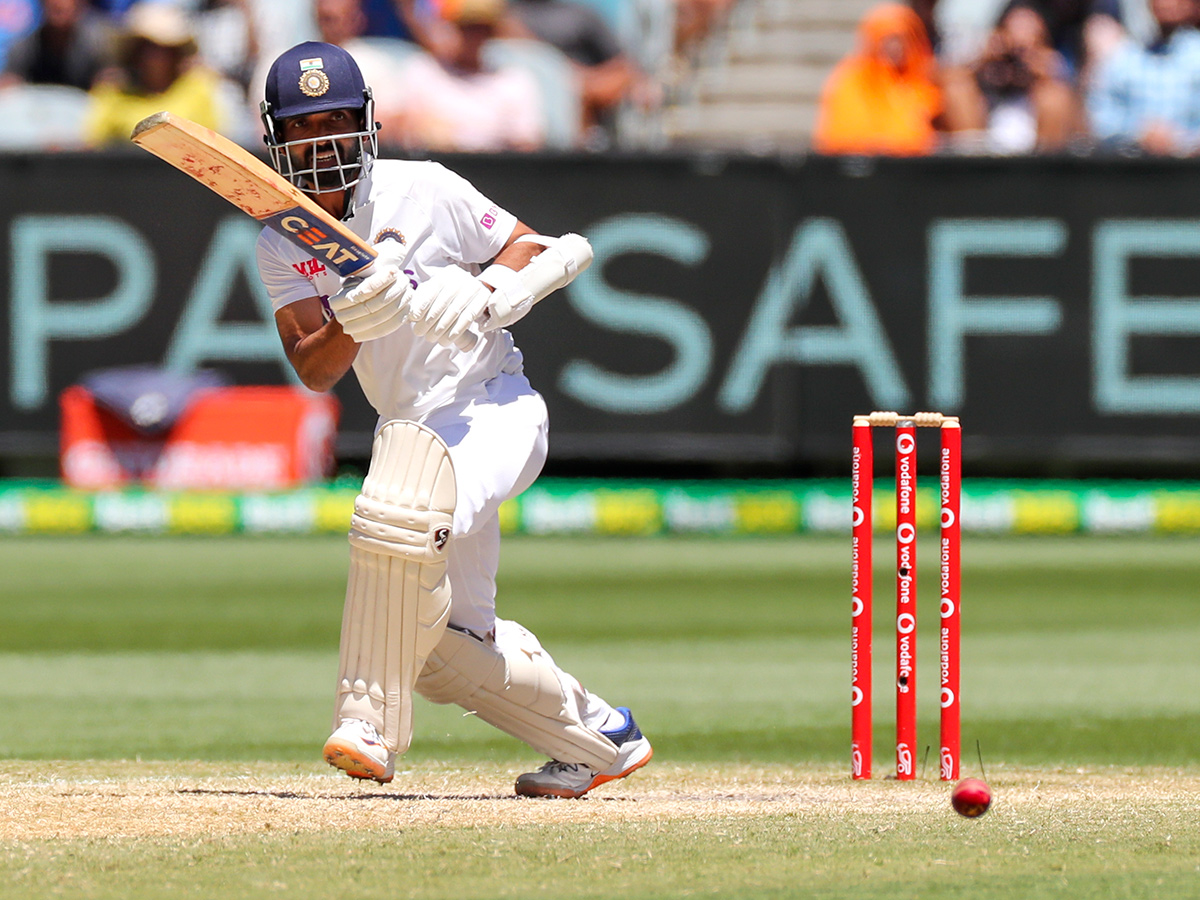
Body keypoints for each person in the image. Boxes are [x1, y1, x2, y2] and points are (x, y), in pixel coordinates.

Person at [254, 40, 652, 798]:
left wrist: (487, 295)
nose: (324, 140)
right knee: (443, 652)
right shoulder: (283, 237)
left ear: (367, 124)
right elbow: (315, 369)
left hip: (492, 407)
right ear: (278, 139)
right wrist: (351, 317)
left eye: (338, 119)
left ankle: (367, 719)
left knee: (397, 508)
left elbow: (528, 246)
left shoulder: (423, 188)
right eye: (306, 126)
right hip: (407, 427)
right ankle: (602, 735)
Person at [385, 0, 545, 152]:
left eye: (481, 29)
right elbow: (395, 130)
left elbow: (527, 146)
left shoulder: (513, 80)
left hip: (493, 174)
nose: (474, 36)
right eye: (466, 27)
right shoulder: (421, 69)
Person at [940, 0, 1080, 153]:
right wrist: (981, 61)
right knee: (957, 89)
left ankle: (1044, 172)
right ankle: (972, 169)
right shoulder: (983, 66)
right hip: (982, 136)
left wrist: (1046, 71)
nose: (1016, 60)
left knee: (1055, 98)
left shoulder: (1054, 77)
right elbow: (945, 78)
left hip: (1037, 139)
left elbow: (1082, 129)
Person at [83, 2, 229, 146]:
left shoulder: (197, 89)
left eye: (164, 49)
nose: (155, 57)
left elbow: (213, 144)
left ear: (176, 53)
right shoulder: (114, 92)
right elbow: (93, 145)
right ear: (135, 52)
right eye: (148, 48)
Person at [813, 3, 943, 156]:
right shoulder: (852, 79)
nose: (896, 47)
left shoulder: (924, 79)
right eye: (888, 39)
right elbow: (840, 134)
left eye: (902, 39)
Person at [1087, 0, 1200, 155]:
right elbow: (1100, 117)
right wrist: (1138, 133)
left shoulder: (1196, 54)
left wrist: (1181, 140)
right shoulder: (1124, 55)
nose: (1167, 4)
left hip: (1190, 166)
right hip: (1134, 165)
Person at [0, 0, 113, 91]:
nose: (58, 3)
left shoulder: (97, 44)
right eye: (54, 7)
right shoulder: (24, 47)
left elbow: (108, 81)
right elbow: (9, 81)